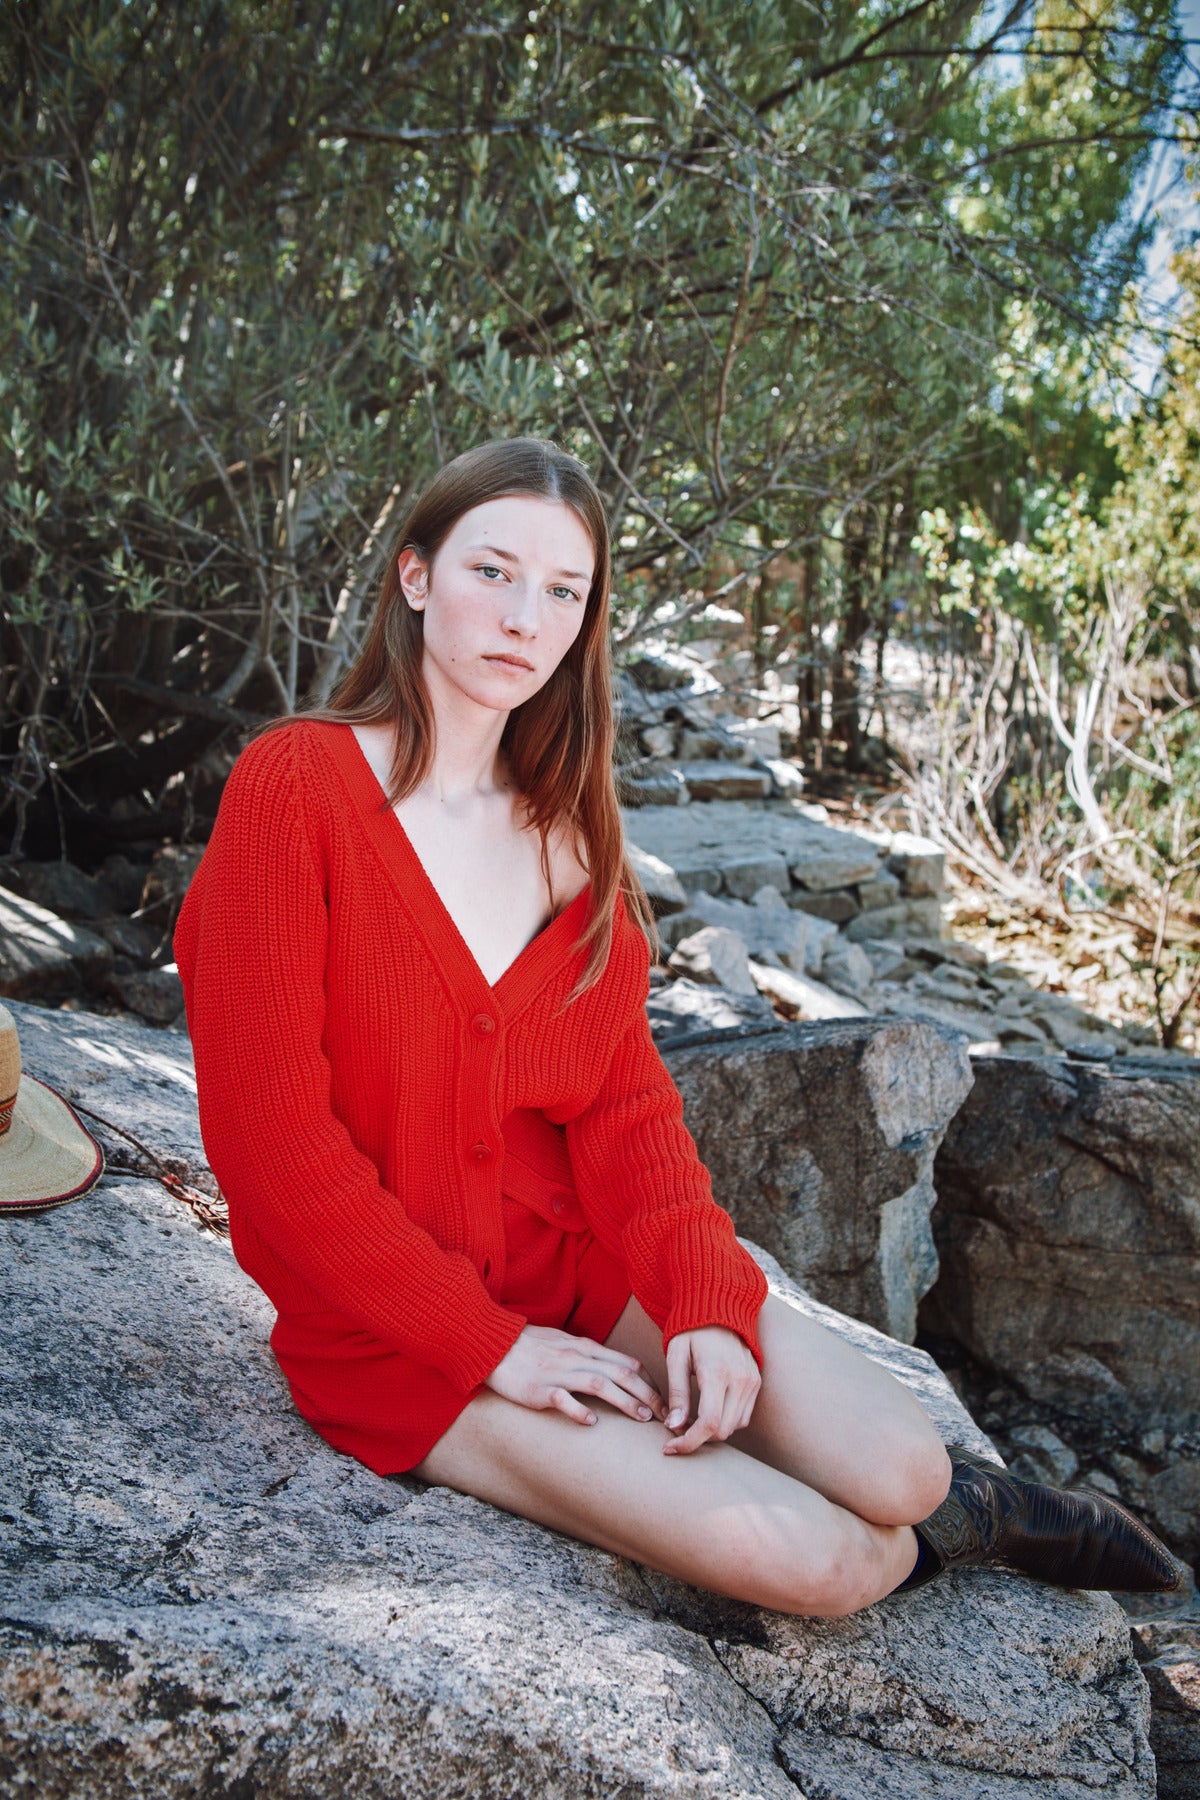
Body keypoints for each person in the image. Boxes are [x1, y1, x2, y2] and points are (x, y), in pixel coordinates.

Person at [174, 435, 1186, 1617]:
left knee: (902, 1467)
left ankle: (978, 1505)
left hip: (578, 1271)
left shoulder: (569, 833)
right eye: (492, 572)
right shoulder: (296, 788)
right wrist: (489, 1345)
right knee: (823, 1564)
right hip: (399, 1344)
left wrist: (700, 1299)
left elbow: (623, 1113)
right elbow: (272, 1145)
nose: (523, 619)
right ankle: (938, 1541)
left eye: (564, 592)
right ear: (415, 577)